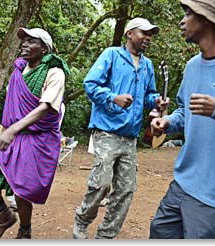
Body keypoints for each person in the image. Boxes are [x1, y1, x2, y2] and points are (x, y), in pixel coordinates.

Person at [149, 0, 215, 239]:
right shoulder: (192, 66)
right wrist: (168, 122)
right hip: (182, 183)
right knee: (159, 233)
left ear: (207, 18)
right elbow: (186, 111)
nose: (181, 21)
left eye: (187, 13)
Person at [73, 17, 169, 239]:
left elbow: (148, 95)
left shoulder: (148, 65)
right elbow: (90, 85)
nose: (148, 38)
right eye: (144, 33)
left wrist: (156, 101)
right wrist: (113, 98)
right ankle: (82, 220)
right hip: (107, 132)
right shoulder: (111, 55)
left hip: (130, 137)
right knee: (101, 184)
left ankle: (105, 236)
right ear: (129, 33)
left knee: (126, 191)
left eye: (151, 35)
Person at [0, 27, 69, 239]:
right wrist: (6, 130)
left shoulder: (54, 72)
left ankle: (25, 231)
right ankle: (3, 215)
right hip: (12, 134)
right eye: (24, 41)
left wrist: (13, 130)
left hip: (37, 138)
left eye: (31, 41)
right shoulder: (19, 70)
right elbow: (13, 104)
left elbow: (46, 106)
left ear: (44, 49)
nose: (24, 45)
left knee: (22, 190)